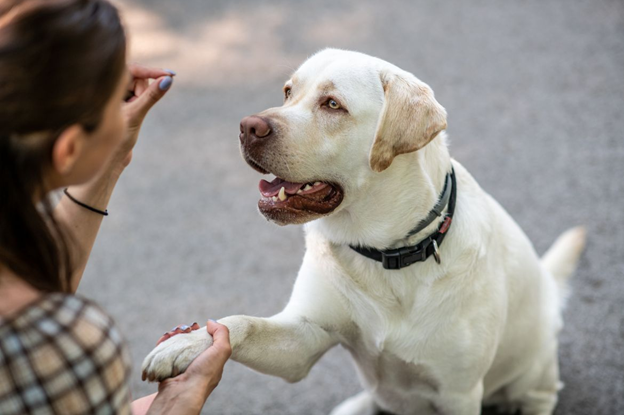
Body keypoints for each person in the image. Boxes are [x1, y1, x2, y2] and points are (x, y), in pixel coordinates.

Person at [0, 0, 231, 414]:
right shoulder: (62, 347)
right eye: (112, 96)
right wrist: (178, 402)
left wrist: (108, 162)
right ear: (68, 147)